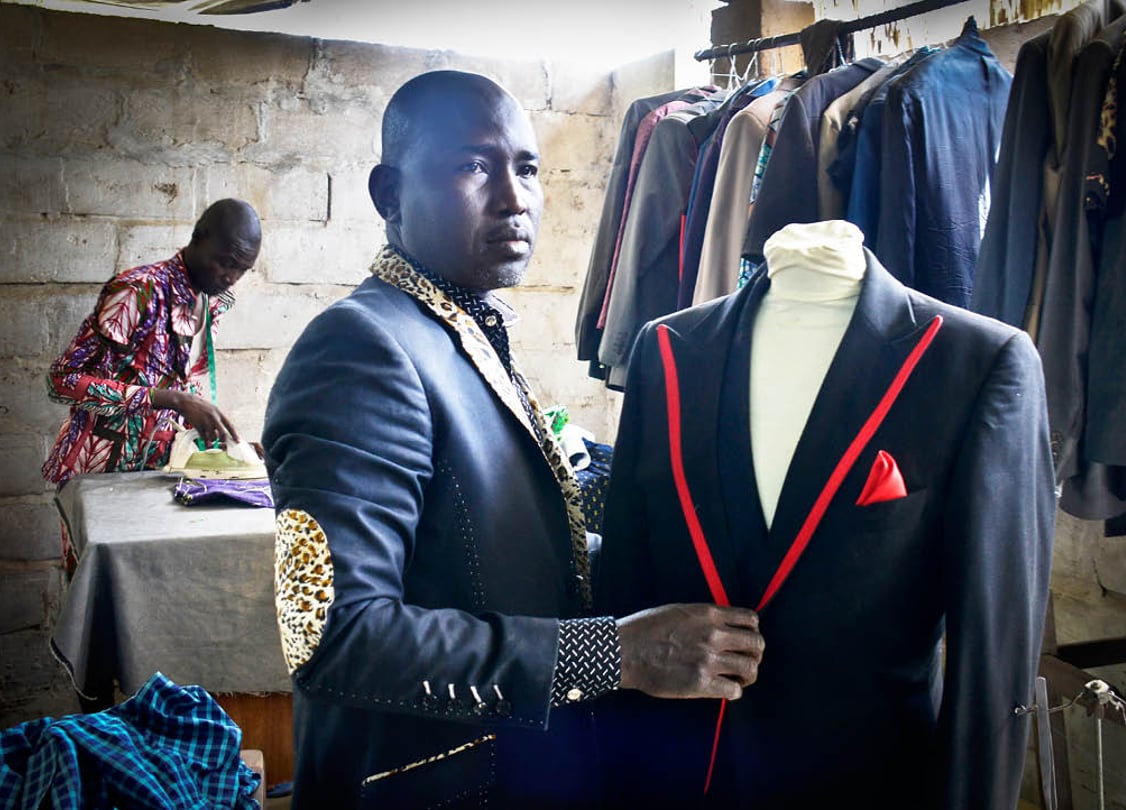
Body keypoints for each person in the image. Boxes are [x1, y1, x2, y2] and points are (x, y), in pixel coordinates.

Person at [260, 70, 766, 809]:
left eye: (525, 168)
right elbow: (334, 638)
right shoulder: (359, 350)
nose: (513, 196)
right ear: (388, 195)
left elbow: (491, 556)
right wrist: (616, 652)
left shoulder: (461, 330)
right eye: (472, 165)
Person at [595, 220, 1055, 809]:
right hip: (678, 770)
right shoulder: (666, 351)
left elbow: (996, 646)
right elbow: (626, 587)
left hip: (868, 776)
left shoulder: (977, 362)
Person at [41, 198, 261, 566]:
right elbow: (61, 381)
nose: (231, 277)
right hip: (96, 481)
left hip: (157, 481)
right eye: (225, 262)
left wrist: (230, 452)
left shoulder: (212, 301)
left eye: (242, 269)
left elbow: (179, 386)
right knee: (94, 605)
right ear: (198, 237)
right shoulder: (136, 291)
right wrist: (167, 399)